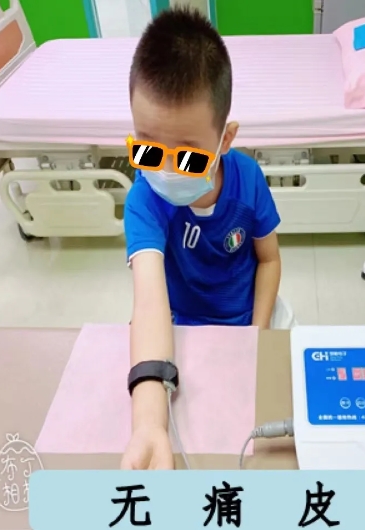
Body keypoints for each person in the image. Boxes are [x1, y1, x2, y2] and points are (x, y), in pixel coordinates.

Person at [121, 6, 291, 470]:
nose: (166, 171)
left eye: (189, 158)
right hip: (181, 327)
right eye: (148, 151)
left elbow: (269, 260)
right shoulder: (144, 200)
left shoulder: (248, 180)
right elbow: (148, 303)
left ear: (225, 140)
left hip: (246, 319)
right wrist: (148, 425)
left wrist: (257, 333)